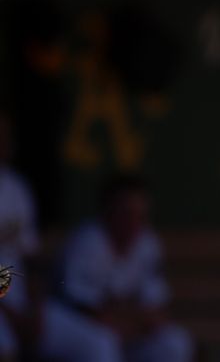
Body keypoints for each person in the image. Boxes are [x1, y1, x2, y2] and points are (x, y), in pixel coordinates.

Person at [0, 112, 120, 362]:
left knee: (99, 344)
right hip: (5, 308)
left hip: (21, 300)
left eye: (6, 135)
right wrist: (12, 314)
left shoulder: (16, 188)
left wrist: (36, 308)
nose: (4, 142)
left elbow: (30, 258)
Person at [57, 175, 193, 362]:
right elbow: (85, 310)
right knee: (102, 343)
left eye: (141, 214)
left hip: (128, 329)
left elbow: (156, 309)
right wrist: (128, 319)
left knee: (174, 342)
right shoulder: (87, 241)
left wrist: (131, 321)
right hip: (77, 327)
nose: (135, 221)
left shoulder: (148, 242)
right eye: (128, 213)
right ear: (109, 211)